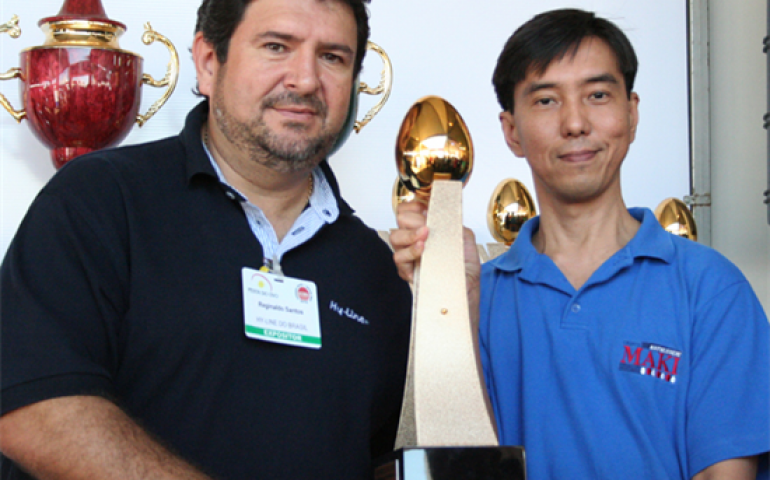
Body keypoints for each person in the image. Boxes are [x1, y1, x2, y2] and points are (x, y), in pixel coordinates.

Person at [0, 0, 411, 478]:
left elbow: (388, 460)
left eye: (332, 57)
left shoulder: (380, 269)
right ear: (209, 62)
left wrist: (454, 303)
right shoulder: (101, 199)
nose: (305, 79)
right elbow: (32, 411)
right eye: (276, 47)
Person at [391, 8, 770, 480]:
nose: (575, 123)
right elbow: (462, 466)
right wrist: (456, 303)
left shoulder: (710, 289)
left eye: (597, 95)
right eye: (546, 100)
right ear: (512, 131)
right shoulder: (478, 295)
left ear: (631, 113)